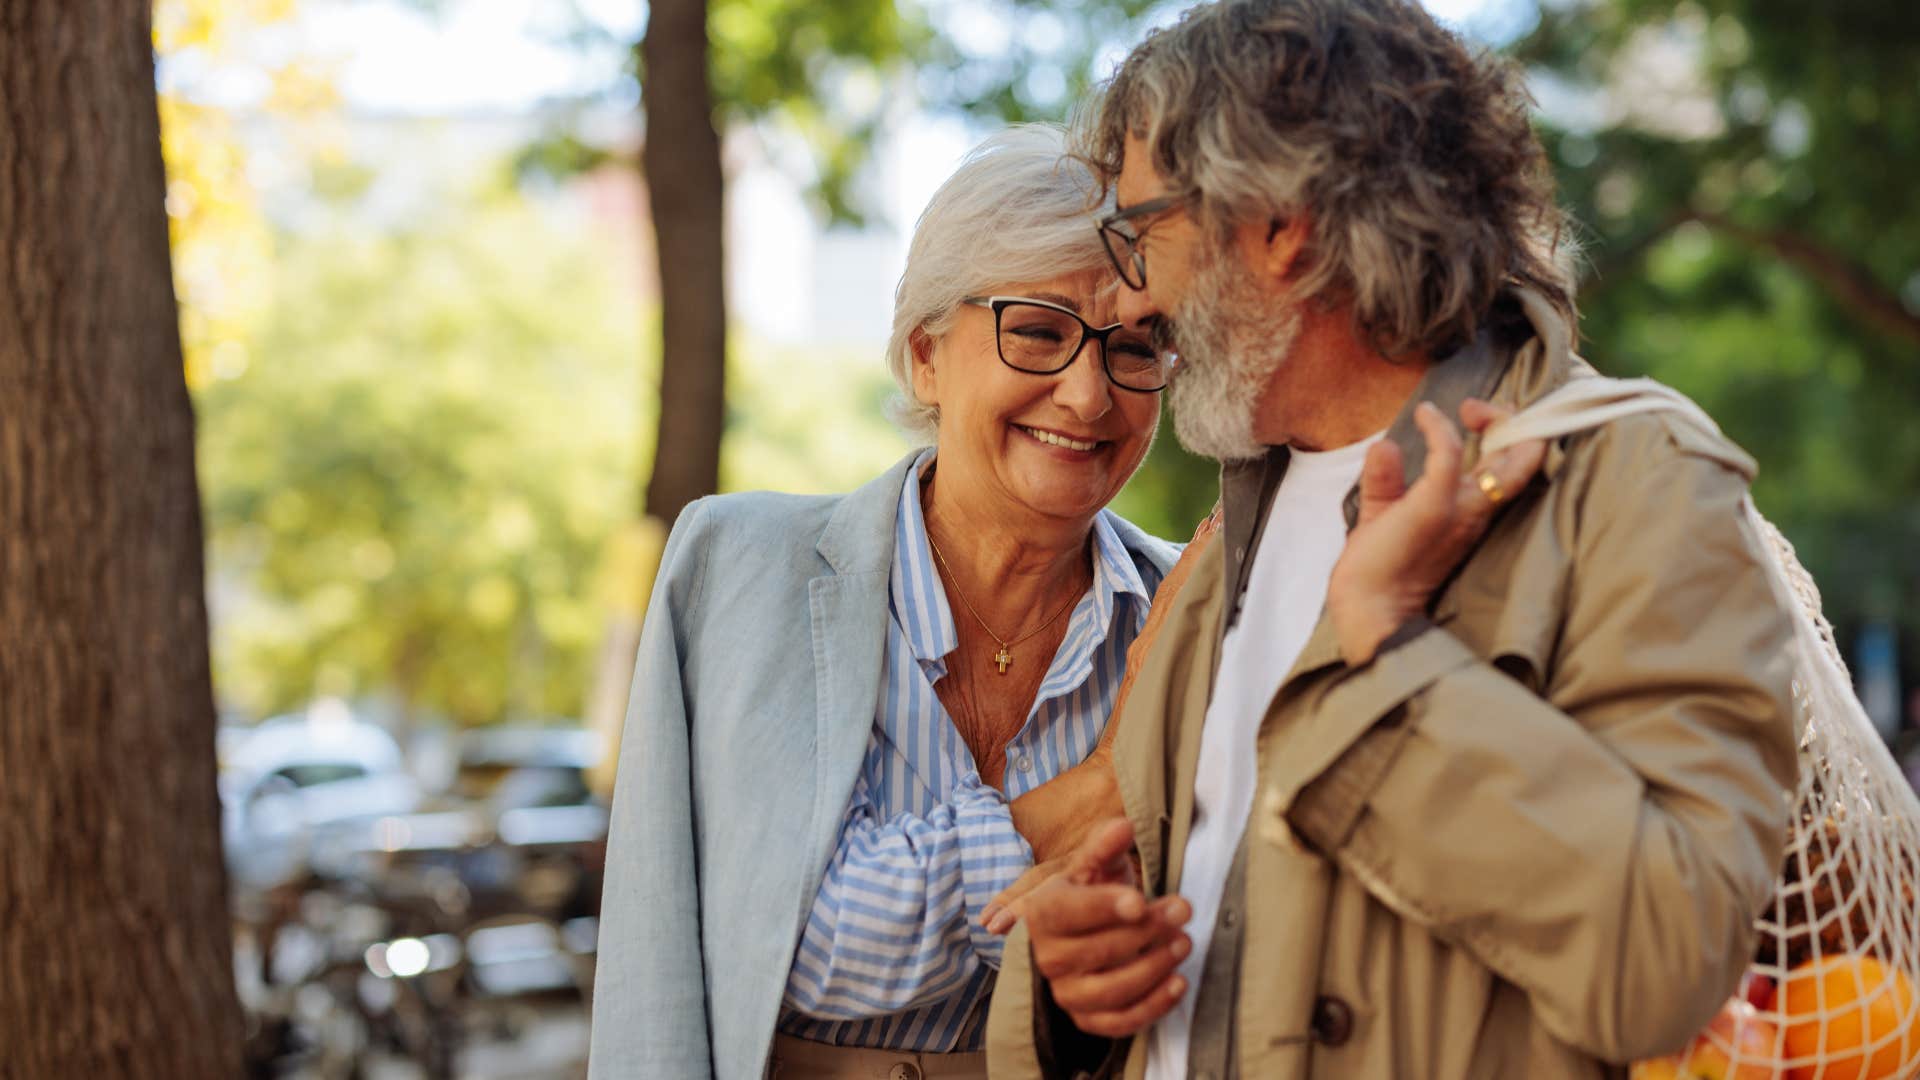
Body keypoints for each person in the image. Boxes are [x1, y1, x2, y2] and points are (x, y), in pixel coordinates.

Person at [984, 2, 1801, 1077]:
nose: (1133, 291)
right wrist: (1076, 994)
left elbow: (1667, 960)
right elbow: (1186, 924)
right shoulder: (1226, 540)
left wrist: (1389, 653)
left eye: (1142, 230)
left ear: (1280, 226)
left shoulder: (1638, 484)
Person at [588, 125, 1182, 1080]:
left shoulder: (1189, 613)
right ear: (925, 355)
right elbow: (754, 949)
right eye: (1038, 331)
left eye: (1137, 345)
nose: (1087, 394)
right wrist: (1088, 793)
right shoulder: (735, 568)